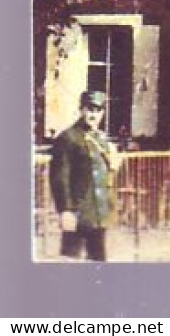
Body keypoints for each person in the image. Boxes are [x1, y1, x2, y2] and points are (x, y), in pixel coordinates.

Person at [48, 89, 119, 261]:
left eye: (98, 110)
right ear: (82, 110)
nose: (94, 114)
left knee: (98, 261)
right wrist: (65, 210)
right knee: (70, 261)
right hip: (78, 212)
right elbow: (60, 178)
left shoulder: (101, 139)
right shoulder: (68, 138)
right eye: (90, 109)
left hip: (98, 212)